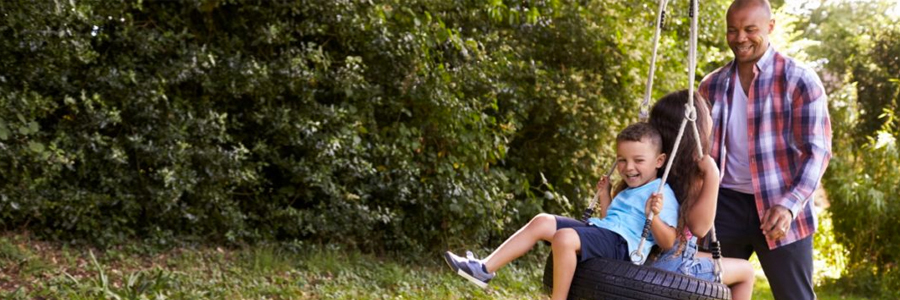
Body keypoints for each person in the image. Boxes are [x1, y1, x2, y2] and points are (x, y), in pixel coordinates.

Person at [443, 122, 679, 300]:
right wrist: (606, 195)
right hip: (606, 233)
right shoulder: (628, 190)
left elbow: (668, 242)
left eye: (638, 160)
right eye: (621, 160)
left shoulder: (661, 192)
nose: (628, 168)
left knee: (564, 237)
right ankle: (483, 269)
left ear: (659, 160)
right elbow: (610, 221)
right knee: (543, 221)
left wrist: (655, 216)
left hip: (624, 247)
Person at [699, 1, 832, 299]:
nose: (740, 38)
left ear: (770, 27)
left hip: (780, 207)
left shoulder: (800, 80)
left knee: (794, 295)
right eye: (732, 30)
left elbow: (818, 152)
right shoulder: (712, 85)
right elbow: (699, 152)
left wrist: (789, 205)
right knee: (707, 292)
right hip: (723, 207)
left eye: (750, 29)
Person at [646, 90, 755, 300]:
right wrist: (713, 176)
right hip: (674, 264)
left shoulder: (651, 166)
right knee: (746, 271)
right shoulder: (693, 173)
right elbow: (700, 227)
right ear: (696, 129)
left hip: (647, 255)